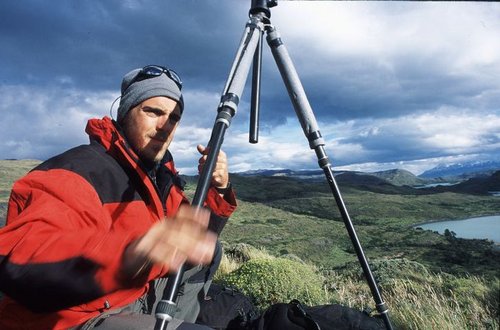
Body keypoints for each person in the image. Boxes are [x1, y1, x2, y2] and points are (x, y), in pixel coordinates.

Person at [0, 65, 237, 330]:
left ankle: (178, 321)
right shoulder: (75, 171)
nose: (164, 126)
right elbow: (21, 264)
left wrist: (220, 189)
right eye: (153, 112)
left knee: (208, 250)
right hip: (75, 318)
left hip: (130, 297)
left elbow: (197, 236)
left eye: (173, 118)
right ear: (125, 113)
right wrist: (131, 254)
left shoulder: (158, 176)